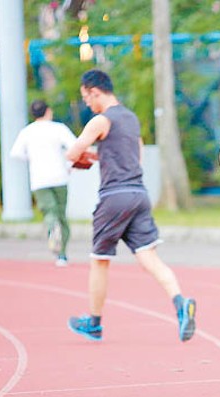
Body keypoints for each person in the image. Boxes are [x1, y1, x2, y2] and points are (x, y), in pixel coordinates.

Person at [66, 69, 196, 343]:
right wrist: (99, 156)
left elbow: (72, 151)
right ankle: (180, 302)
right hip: (138, 193)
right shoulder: (130, 118)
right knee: (149, 256)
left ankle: (94, 322)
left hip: (114, 196)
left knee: (100, 260)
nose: (86, 103)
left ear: (94, 92)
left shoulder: (100, 120)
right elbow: (132, 157)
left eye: (86, 98)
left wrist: (79, 158)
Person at [10, 100, 76, 266]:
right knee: (62, 214)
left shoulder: (27, 132)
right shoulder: (59, 128)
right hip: (60, 176)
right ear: (48, 111)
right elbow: (75, 147)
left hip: (39, 179)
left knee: (49, 211)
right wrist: (69, 165)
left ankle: (52, 228)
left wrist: (31, 159)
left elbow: (16, 153)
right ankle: (62, 255)